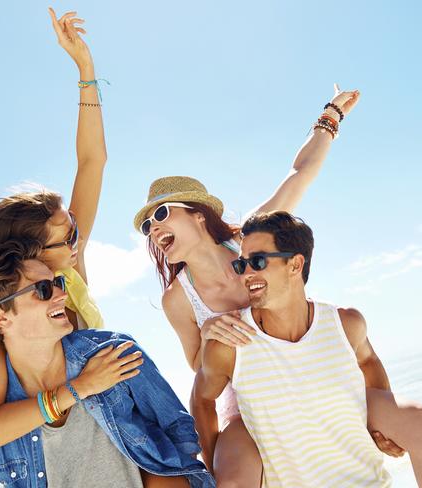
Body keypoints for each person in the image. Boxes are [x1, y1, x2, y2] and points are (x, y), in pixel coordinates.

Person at [134, 89, 367, 484]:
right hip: (243, 403)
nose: (153, 229)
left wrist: (330, 117)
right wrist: (210, 333)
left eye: (160, 214)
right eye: (146, 226)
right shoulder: (177, 299)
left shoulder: (251, 239)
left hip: (305, 373)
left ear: (199, 216)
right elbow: (200, 367)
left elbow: (301, 175)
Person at [0, 8, 125, 457]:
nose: (77, 238)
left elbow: (93, 162)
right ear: (33, 251)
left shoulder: (68, 264)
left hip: (95, 439)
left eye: (73, 230)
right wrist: (80, 388)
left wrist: (86, 69)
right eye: (65, 238)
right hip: (40, 459)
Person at [193, 212, 422, 488]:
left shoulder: (345, 324)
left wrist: (378, 427)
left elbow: (369, 362)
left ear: (295, 264)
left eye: (258, 261)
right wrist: (216, 464)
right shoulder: (232, 343)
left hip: (368, 482)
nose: (247, 273)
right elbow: (202, 399)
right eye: (242, 265)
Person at [0, 244, 214, 487]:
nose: (61, 294)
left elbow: (180, 436)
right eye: (42, 289)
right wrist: (79, 388)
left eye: (58, 283)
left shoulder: (113, 353)